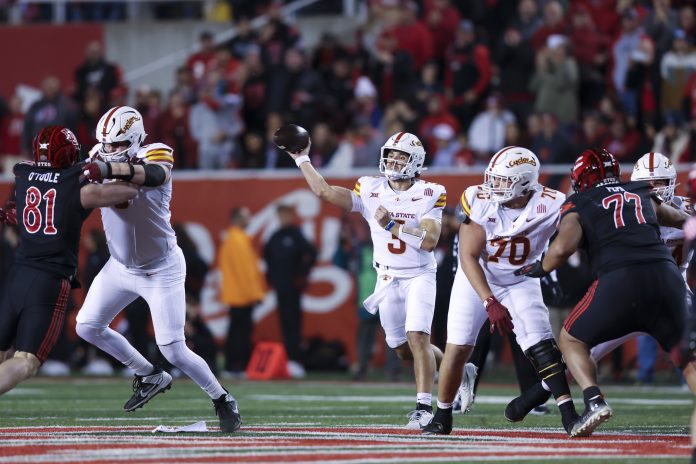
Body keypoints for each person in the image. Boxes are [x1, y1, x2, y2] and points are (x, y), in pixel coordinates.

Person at [75, 106, 241, 433]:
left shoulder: (155, 152)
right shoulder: (98, 153)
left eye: (115, 144)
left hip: (161, 267)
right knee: (87, 327)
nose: (106, 150)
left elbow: (154, 175)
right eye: (104, 145)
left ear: (134, 138)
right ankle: (149, 373)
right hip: (120, 267)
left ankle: (222, 398)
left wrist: (104, 167)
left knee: (174, 348)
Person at [515, 148, 695, 438]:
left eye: (661, 182)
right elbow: (680, 221)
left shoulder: (581, 200)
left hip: (622, 281)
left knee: (572, 340)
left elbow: (562, 248)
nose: (656, 187)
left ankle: (593, 399)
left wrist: (541, 268)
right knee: (687, 357)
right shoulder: (640, 193)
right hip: (667, 282)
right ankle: (538, 392)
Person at [283, 131, 445, 429]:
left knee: (418, 336)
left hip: (419, 274)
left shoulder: (430, 192)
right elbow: (325, 192)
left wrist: (392, 225)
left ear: (416, 161)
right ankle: (455, 368)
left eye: (401, 156)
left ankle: (423, 408)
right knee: (400, 348)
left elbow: (429, 240)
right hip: (386, 276)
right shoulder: (370, 187)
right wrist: (301, 158)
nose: (393, 161)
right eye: (391, 155)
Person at [422, 146, 580, 436]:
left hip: (521, 279)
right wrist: (489, 300)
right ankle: (442, 414)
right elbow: (468, 256)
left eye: (503, 180)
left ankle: (569, 414)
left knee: (542, 345)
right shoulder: (478, 199)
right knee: (457, 348)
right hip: (477, 278)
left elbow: (574, 234)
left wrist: (547, 266)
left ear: (524, 182)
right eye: (492, 178)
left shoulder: (553, 202)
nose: (494, 186)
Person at [0, 125, 139, 395]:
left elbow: (18, 213)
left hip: (17, 275)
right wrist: (125, 165)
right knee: (26, 360)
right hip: (48, 280)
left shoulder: (23, 174)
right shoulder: (78, 188)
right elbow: (130, 191)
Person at [263, 204, 317, 379]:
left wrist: (301, 275)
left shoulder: (296, 234)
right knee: (285, 324)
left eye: (286, 215)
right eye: (281, 215)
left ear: (291, 216)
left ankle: (296, 361)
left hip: (293, 289)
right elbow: (266, 257)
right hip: (280, 289)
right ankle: (288, 360)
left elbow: (312, 253)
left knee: (294, 325)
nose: (283, 218)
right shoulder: (275, 236)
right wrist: (270, 278)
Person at [219, 206, 265, 378]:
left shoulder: (236, 239)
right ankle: (235, 366)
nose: (249, 220)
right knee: (240, 334)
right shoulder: (237, 240)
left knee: (236, 332)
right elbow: (245, 272)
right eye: (246, 217)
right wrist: (255, 294)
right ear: (237, 219)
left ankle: (234, 366)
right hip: (242, 296)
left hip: (238, 294)